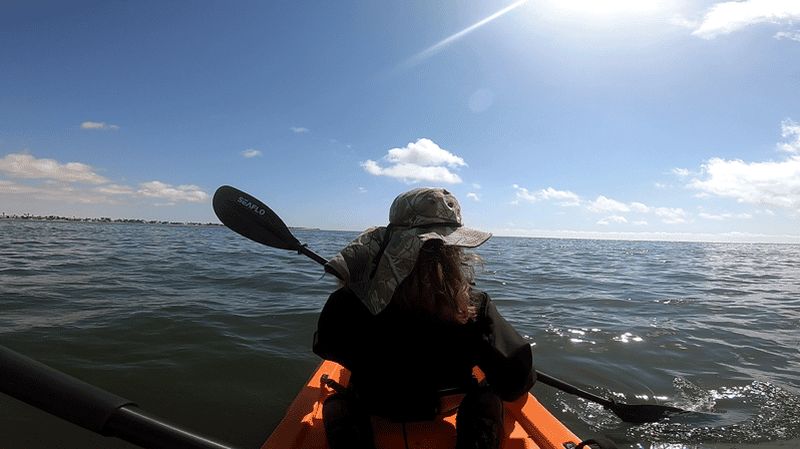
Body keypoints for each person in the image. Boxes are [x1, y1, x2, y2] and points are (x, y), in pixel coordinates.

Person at [313, 187, 534, 449]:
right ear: (453, 249)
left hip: (374, 403)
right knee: (487, 397)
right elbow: (515, 381)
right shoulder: (474, 305)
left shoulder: (351, 300)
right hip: (446, 405)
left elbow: (325, 345)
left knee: (339, 404)